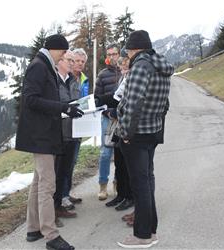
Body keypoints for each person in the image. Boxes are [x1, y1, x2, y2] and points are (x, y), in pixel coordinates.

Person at [15, 34, 83, 250]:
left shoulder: (44, 64)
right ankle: (51, 236)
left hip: (43, 134)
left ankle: (33, 228)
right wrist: (62, 107)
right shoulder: (39, 66)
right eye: (63, 52)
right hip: (40, 134)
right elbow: (31, 99)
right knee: (47, 185)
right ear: (54, 49)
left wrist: (65, 107)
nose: (64, 56)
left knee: (38, 182)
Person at [116, 30, 174, 248]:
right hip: (152, 131)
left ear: (133, 49)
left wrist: (125, 133)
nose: (128, 55)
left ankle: (142, 236)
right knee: (147, 182)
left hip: (137, 134)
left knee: (140, 185)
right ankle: (151, 230)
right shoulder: (161, 66)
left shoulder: (140, 66)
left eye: (128, 51)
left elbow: (132, 102)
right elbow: (165, 104)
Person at [96, 50, 134, 211]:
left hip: (125, 123)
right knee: (118, 160)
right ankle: (121, 195)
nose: (124, 71)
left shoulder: (132, 79)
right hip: (116, 124)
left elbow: (127, 102)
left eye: (126, 68)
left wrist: (114, 112)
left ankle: (128, 196)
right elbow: (115, 96)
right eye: (123, 69)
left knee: (126, 163)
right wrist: (100, 102)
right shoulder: (121, 78)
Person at [53, 50, 81, 221]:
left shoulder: (73, 80)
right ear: (59, 61)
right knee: (54, 174)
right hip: (58, 133)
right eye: (69, 60)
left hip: (73, 132)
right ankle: (53, 209)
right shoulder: (53, 81)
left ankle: (60, 204)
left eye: (73, 60)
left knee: (65, 170)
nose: (72, 63)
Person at [94, 43, 122, 200]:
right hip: (107, 118)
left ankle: (117, 184)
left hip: (123, 118)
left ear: (119, 54)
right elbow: (97, 100)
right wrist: (107, 112)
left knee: (120, 153)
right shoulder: (102, 75)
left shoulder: (126, 72)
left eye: (114, 54)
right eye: (109, 54)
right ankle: (102, 186)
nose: (112, 57)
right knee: (105, 153)